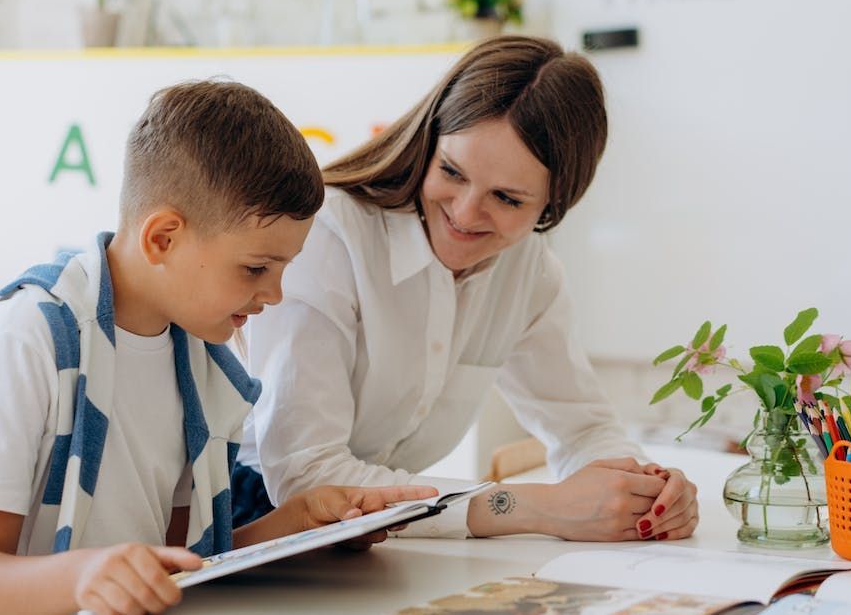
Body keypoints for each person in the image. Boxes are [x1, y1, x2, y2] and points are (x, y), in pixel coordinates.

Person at [0, 81, 436, 615]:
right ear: (162, 237)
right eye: (256, 268)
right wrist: (83, 576)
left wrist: (298, 525)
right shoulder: (28, 338)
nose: (274, 294)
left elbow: (180, 567)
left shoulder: (199, 362)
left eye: (283, 270)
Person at [234, 35, 698, 542]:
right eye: (451, 171)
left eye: (507, 198)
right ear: (428, 143)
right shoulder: (330, 235)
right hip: (261, 521)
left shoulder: (529, 270)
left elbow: (582, 428)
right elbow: (305, 476)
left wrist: (645, 489)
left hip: (383, 537)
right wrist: (534, 506)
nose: (464, 213)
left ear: (554, 204)